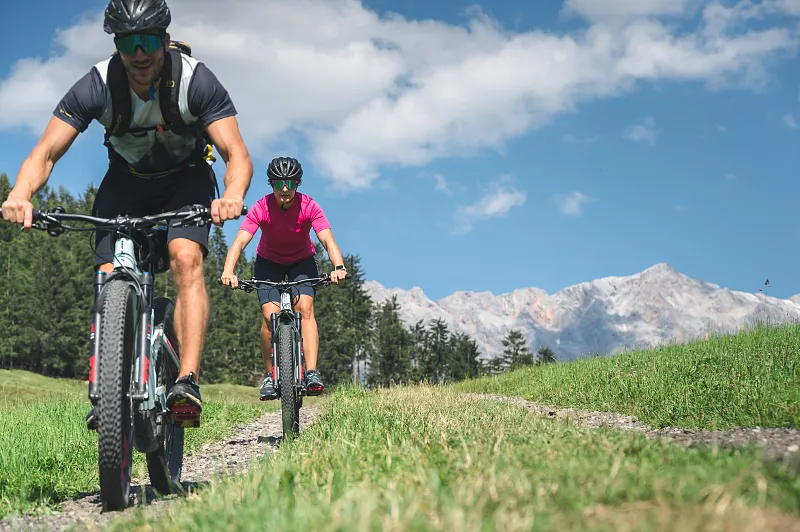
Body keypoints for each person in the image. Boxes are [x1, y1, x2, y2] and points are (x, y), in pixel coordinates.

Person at [0, 0, 253, 428]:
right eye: (128, 42)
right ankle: (107, 387)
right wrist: (20, 194)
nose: (139, 54)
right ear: (117, 45)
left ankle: (187, 380)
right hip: (128, 181)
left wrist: (231, 194)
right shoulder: (97, 85)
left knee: (185, 259)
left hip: (186, 179)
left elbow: (236, 153)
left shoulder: (196, 80)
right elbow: (45, 152)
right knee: (107, 271)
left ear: (165, 40)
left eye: (148, 41)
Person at [220, 157, 347, 400]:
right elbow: (240, 242)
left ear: (297, 183)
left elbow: (327, 240)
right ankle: (270, 375)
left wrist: (338, 266)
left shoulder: (309, 206)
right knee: (270, 316)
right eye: (279, 184)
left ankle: (311, 372)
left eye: (289, 183)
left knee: (305, 308)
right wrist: (228, 271)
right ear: (272, 185)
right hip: (268, 263)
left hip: (302, 261)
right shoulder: (261, 207)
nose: (285, 189)